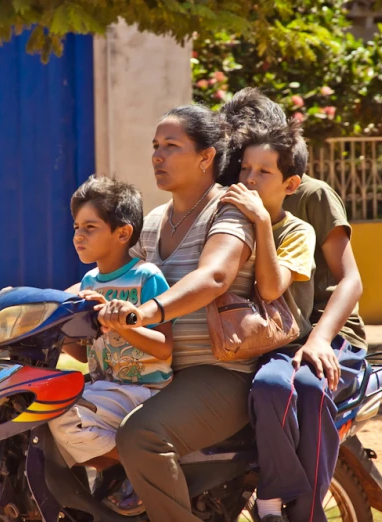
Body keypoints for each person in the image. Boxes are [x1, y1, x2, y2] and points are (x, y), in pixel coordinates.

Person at [92, 103, 258, 522]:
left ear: (206, 157)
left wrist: (144, 313)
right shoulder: (150, 223)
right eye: (154, 146)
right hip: (157, 371)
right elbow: (111, 278)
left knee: (141, 435)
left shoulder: (228, 211)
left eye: (171, 146)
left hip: (218, 372)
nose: (157, 157)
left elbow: (215, 277)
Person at [220, 88, 367, 522]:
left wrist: (321, 339)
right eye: (240, 158)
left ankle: (305, 513)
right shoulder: (235, 190)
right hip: (268, 333)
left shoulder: (311, 196)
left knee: (309, 386)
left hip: (324, 328)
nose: (246, 172)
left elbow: (351, 279)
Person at [48, 176, 174, 506]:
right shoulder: (89, 281)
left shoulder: (146, 276)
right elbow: (84, 352)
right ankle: (116, 474)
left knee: (65, 416)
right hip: (106, 386)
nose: (78, 235)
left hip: (144, 389)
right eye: (76, 226)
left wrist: (121, 323)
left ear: (122, 233)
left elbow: (164, 347)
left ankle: (140, 469)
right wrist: (57, 331)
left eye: (90, 227)